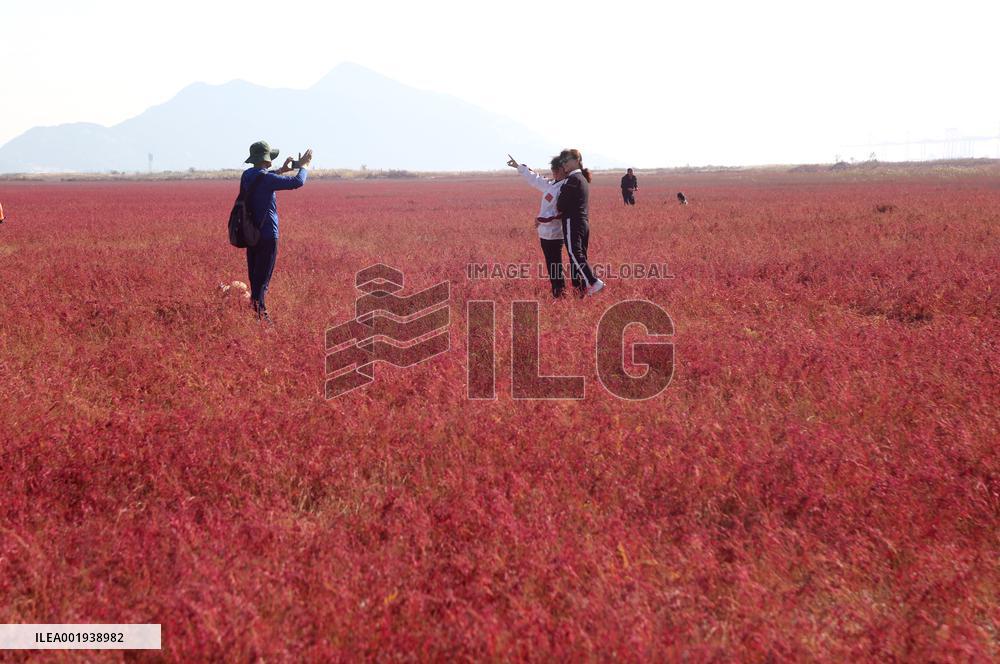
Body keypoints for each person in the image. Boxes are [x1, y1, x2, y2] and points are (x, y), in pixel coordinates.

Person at [240, 140, 313, 323]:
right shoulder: (267, 179)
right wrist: (304, 166)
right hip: (268, 236)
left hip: (251, 235)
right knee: (262, 281)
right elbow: (298, 182)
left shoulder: (247, 175)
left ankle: (256, 314)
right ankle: (262, 319)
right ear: (266, 159)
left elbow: (261, 178)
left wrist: (281, 171)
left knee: (255, 278)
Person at [507, 154, 567, 298]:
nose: (554, 172)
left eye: (556, 169)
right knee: (550, 264)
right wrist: (519, 167)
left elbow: (561, 213)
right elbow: (535, 179)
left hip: (555, 233)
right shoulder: (552, 184)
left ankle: (560, 292)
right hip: (544, 234)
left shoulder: (566, 187)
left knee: (555, 264)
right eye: (553, 169)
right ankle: (557, 291)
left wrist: (541, 219)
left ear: (564, 170)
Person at [556, 149, 605, 297]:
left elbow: (561, 205)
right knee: (578, 255)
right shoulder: (581, 178)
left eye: (567, 160)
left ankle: (593, 282)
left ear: (577, 160)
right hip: (583, 222)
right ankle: (581, 289)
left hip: (572, 221)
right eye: (562, 161)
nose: (563, 163)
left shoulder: (573, 180)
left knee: (574, 253)